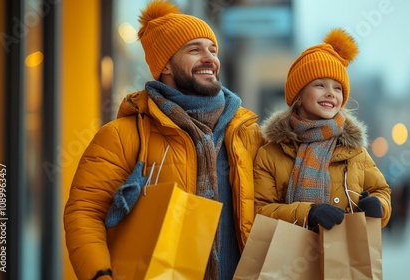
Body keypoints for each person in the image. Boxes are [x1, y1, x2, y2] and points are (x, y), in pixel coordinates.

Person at [63, 1, 264, 279]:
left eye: (212, 50)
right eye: (195, 50)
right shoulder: (123, 136)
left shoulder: (247, 133)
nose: (210, 58)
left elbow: (272, 204)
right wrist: (100, 275)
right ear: (165, 65)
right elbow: (85, 212)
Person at [253, 28, 391, 231]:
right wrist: (308, 213)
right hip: (289, 259)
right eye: (320, 85)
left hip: (343, 258)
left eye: (337, 88)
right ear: (298, 96)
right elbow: (260, 212)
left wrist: (379, 206)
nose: (330, 94)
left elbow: (381, 190)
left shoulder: (354, 152)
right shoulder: (270, 153)